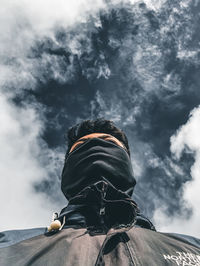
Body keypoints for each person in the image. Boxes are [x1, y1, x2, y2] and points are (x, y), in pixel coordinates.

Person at [0, 119, 200, 266]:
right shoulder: (8, 244)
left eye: (108, 141)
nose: (95, 146)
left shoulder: (192, 247)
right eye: (81, 146)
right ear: (66, 171)